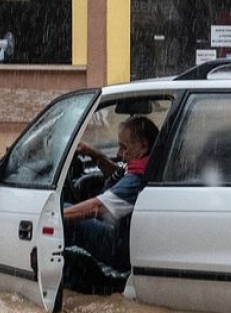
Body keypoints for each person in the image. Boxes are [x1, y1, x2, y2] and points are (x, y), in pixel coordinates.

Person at [62, 115, 160, 280]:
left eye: (123, 147)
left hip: (120, 248)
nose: (119, 153)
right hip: (128, 239)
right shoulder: (147, 165)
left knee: (63, 214)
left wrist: (55, 217)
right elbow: (118, 176)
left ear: (143, 146)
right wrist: (95, 155)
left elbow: (97, 208)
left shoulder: (138, 178)